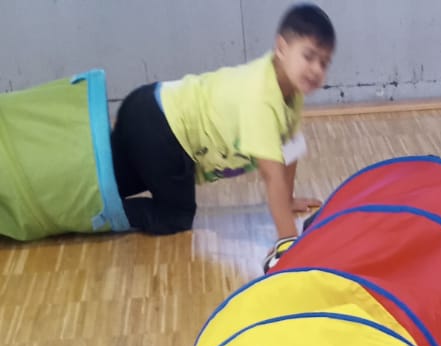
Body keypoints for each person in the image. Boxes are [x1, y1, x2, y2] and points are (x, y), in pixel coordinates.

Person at [110, 5, 335, 236]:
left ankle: (99, 204)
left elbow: (290, 147)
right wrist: (288, 242)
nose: (316, 70)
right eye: (308, 56)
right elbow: (272, 176)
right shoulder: (261, 99)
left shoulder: (290, 90)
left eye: (324, 63)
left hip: (147, 109)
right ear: (281, 48)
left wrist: (288, 200)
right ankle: (108, 215)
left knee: (115, 183)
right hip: (161, 128)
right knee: (175, 216)